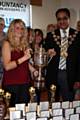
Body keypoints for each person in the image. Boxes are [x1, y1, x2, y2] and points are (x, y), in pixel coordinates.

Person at [44, 8, 80, 102]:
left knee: (68, 104)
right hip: (53, 74)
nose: (62, 21)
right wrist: (47, 53)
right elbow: (44, 54)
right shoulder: (51, 36)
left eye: (65, 18)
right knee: (52, 104)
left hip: (70, 75)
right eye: (59, 19)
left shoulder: (78, 36)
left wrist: (78, 79)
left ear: (69, 19)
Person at [2, 19, 38, 107]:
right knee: (12, 112)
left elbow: (25, 62)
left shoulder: (24, 44)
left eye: (22, 28)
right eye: (17, 28)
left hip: (25, 82)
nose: (20, 30)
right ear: (11, 30)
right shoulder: (7, 44)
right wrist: (24, 57)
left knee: (24, 110)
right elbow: (7, 66)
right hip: (12, 83)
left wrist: (33, 70)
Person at [0, 17, 6, 87]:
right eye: (0, 24)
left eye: (3, 25)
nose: (1, 26)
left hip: (3, 64)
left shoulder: (7, 37)